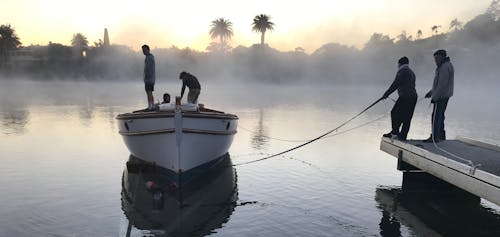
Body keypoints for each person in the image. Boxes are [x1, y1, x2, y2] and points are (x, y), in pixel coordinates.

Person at [381, 56, 418, 141]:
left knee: (394, 113)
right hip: (413, 97)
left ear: (400, 64)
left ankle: (395, 132)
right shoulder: (411, 72)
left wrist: (386, 94)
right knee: (407, 117)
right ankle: (402, 136)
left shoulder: (402, 71)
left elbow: (395, 84)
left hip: (405, 96)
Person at [424, 49, 454, 142]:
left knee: (436, 116)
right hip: (444, 95)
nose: (435, 60)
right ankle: (441, 136)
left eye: (437, 58)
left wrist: (435, 97)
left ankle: (435, 137)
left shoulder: (444, 67)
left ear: (442, 57)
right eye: (435, 58)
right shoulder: (446, 65)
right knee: (440, 116)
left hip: (442, 96)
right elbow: (438, 84)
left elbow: (442, 85)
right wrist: (431, 92)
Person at [142, 44, 155, 111]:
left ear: (148, 50)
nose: (143, 52)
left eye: (144, 50)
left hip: (149, 79)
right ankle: (152, 105)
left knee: (149, 92)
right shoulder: (149, 57)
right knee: (149, 92)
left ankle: (150, 106)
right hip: (150, 79)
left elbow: (149, 69)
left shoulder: (149, 57)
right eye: (142, 50)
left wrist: (146, 78)